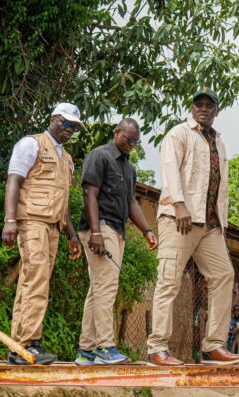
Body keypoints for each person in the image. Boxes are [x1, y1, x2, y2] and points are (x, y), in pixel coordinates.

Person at [146, 87, 239, 366]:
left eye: (208, 105)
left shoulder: (219, 143)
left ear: (216, 110)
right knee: (169, 281)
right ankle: (157, 348)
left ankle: (213, 346)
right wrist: (179, 204)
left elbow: (219, 185)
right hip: (180, 219)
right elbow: (169, 170)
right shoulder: (179, 134)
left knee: (224, 275)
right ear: (191, 108)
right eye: (198, 104)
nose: (203, 108)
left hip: (210, 224)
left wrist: (221, 221)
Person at [2, 102, 84, 365]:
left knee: (34, 281)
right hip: (32, 222)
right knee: (35, 280)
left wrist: (72, 235)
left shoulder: (66, 158)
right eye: (66, 123)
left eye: (74, 126)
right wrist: (10, 220)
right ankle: (28, 344)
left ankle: (20, 345)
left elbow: (63, 200)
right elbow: (14, 181)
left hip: (54, 226)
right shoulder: (32, 144)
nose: (70, 129)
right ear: (52, 119)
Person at [74, 118, 158, 366]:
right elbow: (90, 194)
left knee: (98, 289)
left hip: (117, 231)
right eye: (128, 138)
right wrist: (96, 232)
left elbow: (131, 202)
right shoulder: (100, 156)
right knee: (106, 288)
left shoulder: (129, 168)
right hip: (101, 228)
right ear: (116, 133)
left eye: (136, 141)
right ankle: (105, 347)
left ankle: (86, 351)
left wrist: (146, 230)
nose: (131, 144)